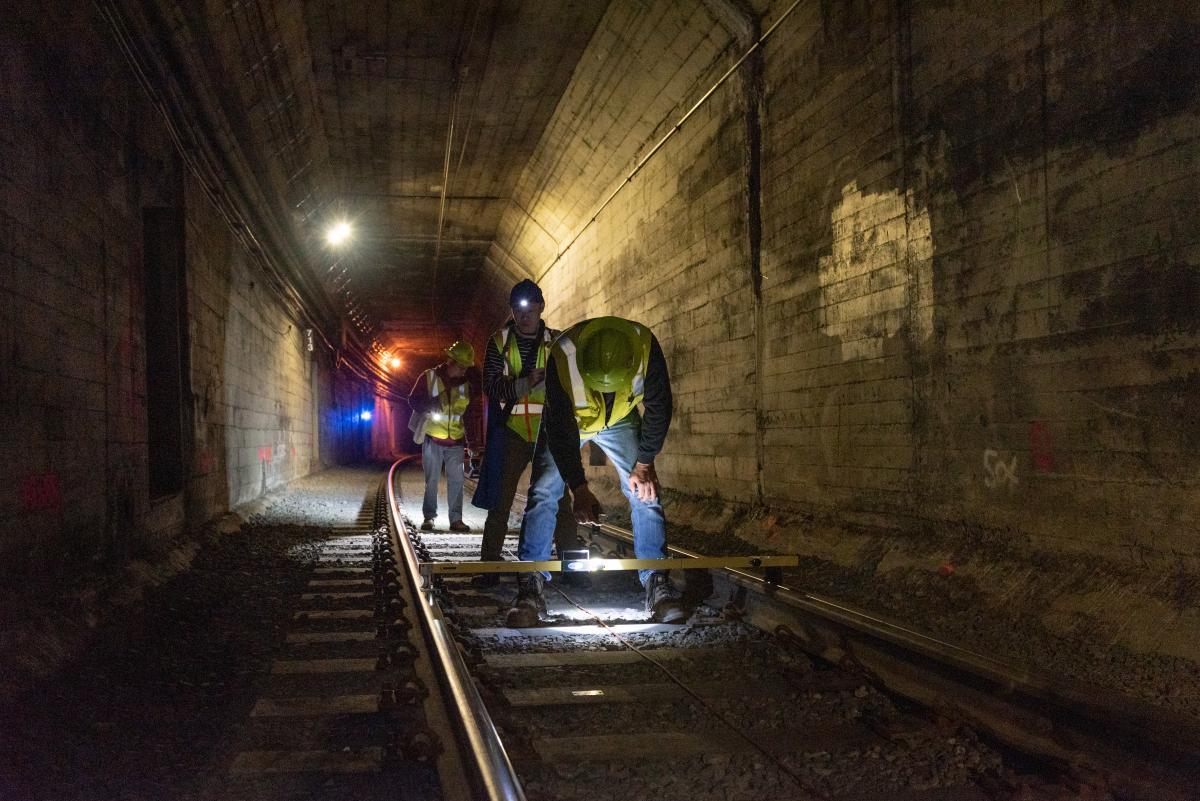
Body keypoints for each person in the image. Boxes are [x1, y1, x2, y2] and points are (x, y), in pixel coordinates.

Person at [506, 316, 686, 626]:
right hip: (572, 421)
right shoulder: (562, 357)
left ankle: (656, 583)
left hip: (619, 418)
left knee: (645, 490)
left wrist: (643, 465)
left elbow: (660, 407)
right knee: (544, 492)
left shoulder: (644, 346)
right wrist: (578, 487)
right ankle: (530, 587)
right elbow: (560, 433)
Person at [471, 279, 577, 586]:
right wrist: (524, 383)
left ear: (541, 307)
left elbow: (573, 384)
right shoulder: (500, 341)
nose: (525, 316)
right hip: (513, 431)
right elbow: (490, 386)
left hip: (549, 434)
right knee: (499, 502)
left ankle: (571, 566)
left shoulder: (557, 342)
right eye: (519, 310)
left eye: (531, 309)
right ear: (512, 311)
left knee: (560, 502)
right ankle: (489, 568)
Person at [409, 341, 477, 532]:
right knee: (431, 481)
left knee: (457, 481)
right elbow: (412, 400)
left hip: (455, 440)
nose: (464, 370)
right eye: (461, 366)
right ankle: (429, 518)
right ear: (450, 362)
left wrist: (471, 442)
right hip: (433, 438)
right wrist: (430, 405)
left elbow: (470, 415)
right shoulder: (429, 377)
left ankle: (456, 520)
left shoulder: (466, 386)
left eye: (466, 367)